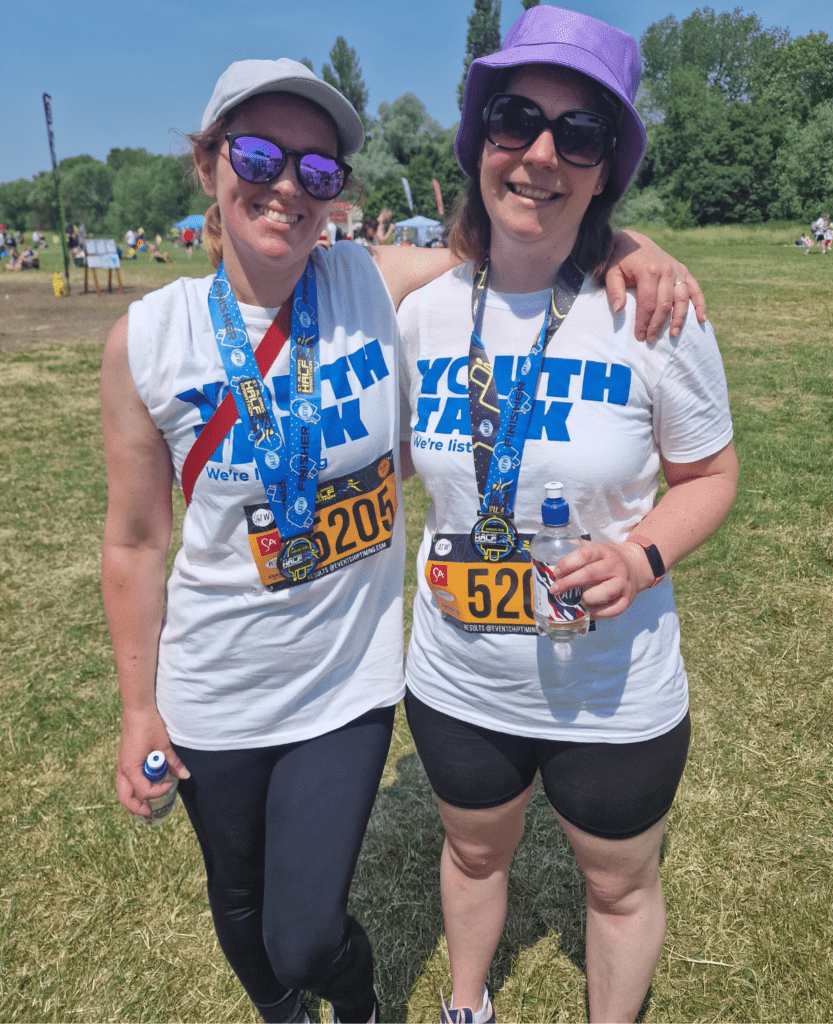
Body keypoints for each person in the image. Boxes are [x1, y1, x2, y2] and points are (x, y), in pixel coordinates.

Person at [101, 55, 705, 1024]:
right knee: (241, 905)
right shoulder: (149, 337)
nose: (289, 184)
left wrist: (629, 240)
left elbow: (523, 235)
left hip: (345, 683)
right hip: (211, 682)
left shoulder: (371, 281)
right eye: (259, 153)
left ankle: (354, 997)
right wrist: (139, 709)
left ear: (339, 192)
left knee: (301, 933)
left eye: (321, 169)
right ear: (210, 162)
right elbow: (133, 541)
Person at [396, 8, 738, 1024]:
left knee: (619, 884)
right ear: (479, 141)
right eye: (516, 120)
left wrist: (639, 558)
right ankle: (467, 1005)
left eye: (579, 134)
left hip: (614, 685)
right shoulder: (419, 309)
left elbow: (712, 475)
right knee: (471, 851)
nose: (542, 154)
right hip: (461, 673)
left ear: (605, 169)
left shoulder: (654, 311)